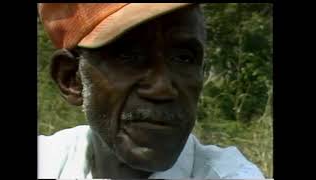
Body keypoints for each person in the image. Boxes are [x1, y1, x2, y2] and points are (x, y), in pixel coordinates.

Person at [38, 3, 265, 179]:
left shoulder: (230, 174)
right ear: (72, 79)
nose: (162, 89)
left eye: (184, 58)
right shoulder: (47, 162)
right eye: (128, 56)